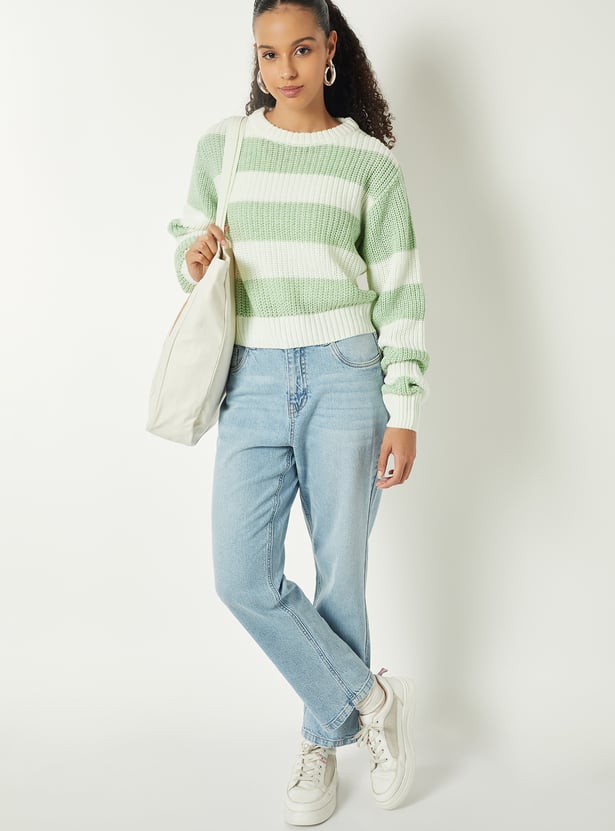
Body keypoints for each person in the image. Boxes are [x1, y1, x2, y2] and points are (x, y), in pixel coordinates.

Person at [167, 0, 429, 824]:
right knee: (241, 576)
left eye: (301, 49)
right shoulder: (226, 146)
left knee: (339, 573)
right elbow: (187, 244)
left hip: (347, 374)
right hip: (250, 375)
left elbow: (400, 291)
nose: (283, 69)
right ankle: (368, 699)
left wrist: (404, 407)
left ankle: (321, 741)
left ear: (330, 50)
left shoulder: (369, 165)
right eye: (267, 53)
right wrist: (192, 254)